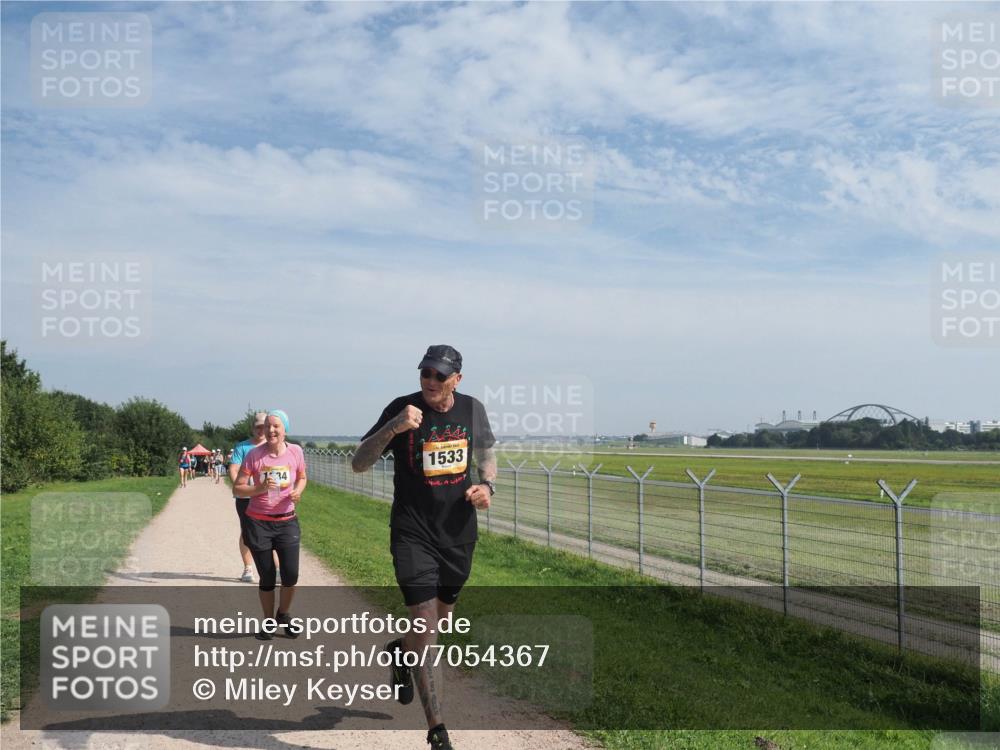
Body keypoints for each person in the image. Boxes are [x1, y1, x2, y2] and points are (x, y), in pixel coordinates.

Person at [353, 345, 496, 750]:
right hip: (412, 533)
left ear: (457, 379)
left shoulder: (472, 410)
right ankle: (437, 730)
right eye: (425, 374)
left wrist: (487, 485)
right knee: (426, 624)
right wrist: (395, 427)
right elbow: (359, 462)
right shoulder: (401, 408)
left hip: (458, 532)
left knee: (439, 622)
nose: (430, 382)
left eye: (438, 375)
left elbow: (486, 453)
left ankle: (401, 653)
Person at [233, 410, 307, 639]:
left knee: (291, 575)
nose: (271, 430)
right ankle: (268, 622)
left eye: (276, 426)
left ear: (285, 429)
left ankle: (283, 614)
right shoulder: (254, 455)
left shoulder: (296, 451)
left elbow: (303, 477)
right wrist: (259, 489)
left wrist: (298, 492)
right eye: (267, 426)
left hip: (287, 522)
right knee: (266, 577)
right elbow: (238, 488)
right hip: (259, 523)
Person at [229, 413, 268, 583]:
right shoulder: (242, 447)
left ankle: (277, 569)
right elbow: (234, 470)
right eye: (257, 426)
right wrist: (242, 489)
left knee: (271, 531)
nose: (260, 430)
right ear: (252, 428)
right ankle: (248, 568)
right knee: (247, 532)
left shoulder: (274, 446)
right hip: (246, 497)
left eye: (263, 426)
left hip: (268, 497)